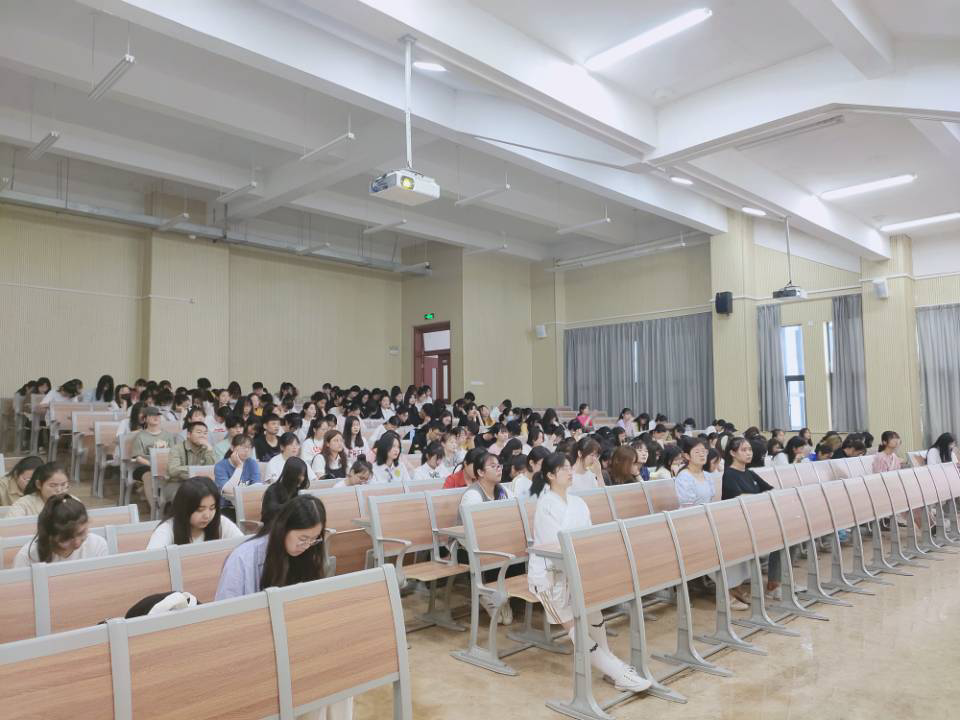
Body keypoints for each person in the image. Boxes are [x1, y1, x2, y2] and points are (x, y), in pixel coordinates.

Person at [527, 453, 651, 693]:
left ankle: (612, 666)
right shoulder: (546, 505)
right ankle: (617, 672)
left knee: (593, 609)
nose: (569, 472)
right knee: (574, 625)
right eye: (563, 469)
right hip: (550, 576)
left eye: (569, 467)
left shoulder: (578, 503)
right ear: (550, 475)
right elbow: (554, 547)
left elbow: (589, 538)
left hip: (578, 569)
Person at [215, 495, 327, 601]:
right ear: (283, 528)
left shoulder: (311, 550)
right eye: (303, 539)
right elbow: (226, 607)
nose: (307, 546)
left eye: (314, 539)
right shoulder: (242, 558)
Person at [721, 437, 780, 600]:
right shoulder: (729, 475)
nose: (749, 453)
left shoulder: (750, 473)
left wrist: (764, 495)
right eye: (744, 450)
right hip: (738, 525)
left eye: (750, 450)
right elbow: (739, 498)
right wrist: (761, 497)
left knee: (787, 538)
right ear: (733, 453)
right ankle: (773, 584)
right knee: (780, 539)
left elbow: (771, 490)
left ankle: (777, 582)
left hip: (755, 520)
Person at [147, 477, 243, 549]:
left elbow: (243, 547)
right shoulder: (167, 529)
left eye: (212, 508)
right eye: (200, 510)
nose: (207, 515)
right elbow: (152, 561)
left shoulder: (221, 522)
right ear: (184, 508)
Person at [13, 494, 109, 566]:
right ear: (50, 535)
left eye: (81, 533)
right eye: (66, 538)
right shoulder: (27, 557)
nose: (77, 543)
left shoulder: (97, 545)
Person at [167, 421, 217, 504]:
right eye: (199, 432)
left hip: (200, 483)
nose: (202, 436)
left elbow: (213, 468)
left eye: (205, 433)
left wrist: (209, 449)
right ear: (188, 435)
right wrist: (195, 470)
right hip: (178, 482)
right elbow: (173, 470)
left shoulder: (207, 449)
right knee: (184, 496)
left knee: (214, 494)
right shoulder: (177, 449)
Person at [130, 406, 179, 488]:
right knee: (148, 476)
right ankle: (153, 496)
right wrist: (153, 465)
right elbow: (138, 457)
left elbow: (173, 454)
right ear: (145, 419)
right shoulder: (140, 436)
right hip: (146, 466)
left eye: (158, 415)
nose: (156, 417)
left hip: (165, 465)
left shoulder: (168, 435)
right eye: (151, 415)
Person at [213, 434, 261, 511]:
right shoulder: (220, 466)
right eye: (243, 447)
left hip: (247, 505)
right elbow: (228, 490)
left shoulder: (252, 463)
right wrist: (239, 467)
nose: (246, 450)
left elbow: (257, 486)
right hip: (226, 507)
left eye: (249, 447)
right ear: (232, 448)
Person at [7, 462, 73, 517]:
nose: (59, 490)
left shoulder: (72, 502)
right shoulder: (24, 505)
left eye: (63, 485)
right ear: (38, 484)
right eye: (53, 485)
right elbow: (10, 525)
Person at [261, 457, 311, 527]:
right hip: (274, 528)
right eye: (300, 475)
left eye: (304, 475)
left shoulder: (298, 491)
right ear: (291, 475)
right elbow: (271, 513)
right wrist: (295, 505)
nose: (303, 478)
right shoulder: (273, 490)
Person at [674, 438, 714, 508]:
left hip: (706, 512)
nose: (702, 454)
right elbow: (688, 506)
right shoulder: (684, 477)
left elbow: (711, 499)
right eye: (697, 452)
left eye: (704, 451)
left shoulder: (707, 475)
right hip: (691, 513)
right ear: (687, 456)